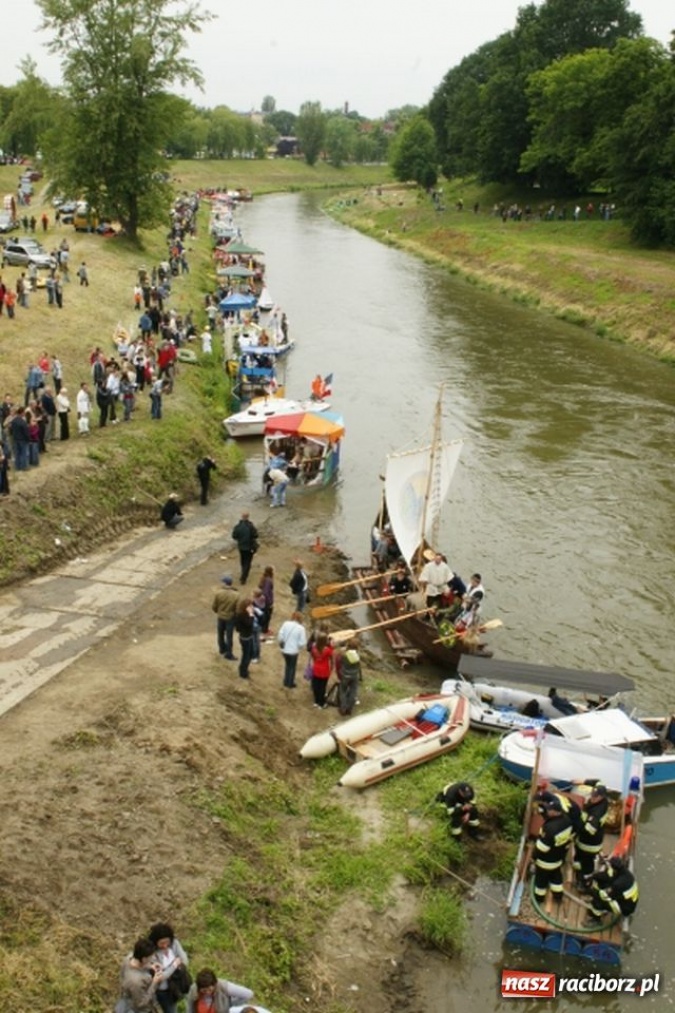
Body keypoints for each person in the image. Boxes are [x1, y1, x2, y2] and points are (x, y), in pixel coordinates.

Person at [533, 797, 574, 904]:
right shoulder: (567, 821)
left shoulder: (550, 828)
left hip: (545, 862)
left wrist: (534, 857)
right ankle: (558, 897)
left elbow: (542, 848)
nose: (548, 811)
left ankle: (538, 899)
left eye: (550, 810)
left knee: (541, 882)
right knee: (556, 879)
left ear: (556, 812)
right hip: (558, 858)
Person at [574, 783, 610, 891]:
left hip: (589, 844)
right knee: (579, 860)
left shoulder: (597, 812)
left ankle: (586, 884)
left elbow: (590, 830)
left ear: (602, 797)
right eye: (593, 794)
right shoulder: (601, 802)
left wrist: (576, 826)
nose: (592, 797)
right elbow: (597, 781)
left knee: (587, 864)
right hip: (584, 841)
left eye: (595, 796)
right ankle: (579, 876)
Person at [148, 921, 189, 1013]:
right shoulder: (152, 953)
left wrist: (168, 970)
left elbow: (184, 960)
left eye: (167, 942)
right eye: (162, 943)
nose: (165, 945)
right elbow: (161, 976)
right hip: (165, 990)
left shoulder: (174, 943)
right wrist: (174, 965)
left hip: (179, 982)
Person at [586, 855, 639, 926]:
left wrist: (593, 892)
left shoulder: (618, 884)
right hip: (628, 901)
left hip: (624, 907)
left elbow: (606, 897)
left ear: (614, 869)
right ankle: (602, 909)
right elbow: (608, 876)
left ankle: (596, 920)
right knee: (601, 884)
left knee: (598, 901)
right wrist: (594, 876)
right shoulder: (625, 873)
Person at [117, 938, 164, 1013]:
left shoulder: (130, 957)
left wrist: (149, 966)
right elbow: (141, 1004)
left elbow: (139, 965)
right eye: (150, 957)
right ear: (144, 959)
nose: (152, 959)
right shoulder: (136, 981)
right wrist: (154, 983)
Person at [185, 967, 254, 1013]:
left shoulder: (223, 987)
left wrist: (230, 1003)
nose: (207, 993)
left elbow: (248, 994)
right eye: (204, 991)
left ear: (214, 984)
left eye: (209, 989)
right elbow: (190, 1009)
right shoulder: (193, 990)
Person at [212, 575, 240, 660]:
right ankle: (229, 653)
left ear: (224, 583)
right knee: (229, 636)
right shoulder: (236, 595)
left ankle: (221, 649)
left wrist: (219, 612)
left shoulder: (218, 593)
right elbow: (237, 609)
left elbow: (214, 606)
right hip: (230, 618)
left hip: (220, 616)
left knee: (220, 634)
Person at [277, 611, 307, 688]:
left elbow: (280, 635)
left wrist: (282, 642)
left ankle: (285, 681)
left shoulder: (286, 623)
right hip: (293, 651)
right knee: (292, 667)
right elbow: (302, 642)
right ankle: (289, 683)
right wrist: (298, 647)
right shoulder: (301, 629)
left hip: (284, 650)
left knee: (287, 666)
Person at [335, 639, 362, 715]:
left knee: (343, 691)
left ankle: (343, 708)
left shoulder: (344, 655)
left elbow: (339, 661)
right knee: (353, 691)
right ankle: (349, 708)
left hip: (345, 675)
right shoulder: (358, 655)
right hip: (354, 675)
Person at [231, 512, 258, 584]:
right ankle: (244, 577)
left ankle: (243, 572)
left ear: (242, 517)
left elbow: (234, 536)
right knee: (248, 562)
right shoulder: (251, 526)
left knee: (242, 560)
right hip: (250, 547)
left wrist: (240, 540)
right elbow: (256, 535)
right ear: (248, 517)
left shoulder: (238, 526)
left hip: (241, 547)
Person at [310, 632, 334, 708]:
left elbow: (313, 658)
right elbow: (332, 659)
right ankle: (322, 703)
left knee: (316, 686)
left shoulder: (313, 649)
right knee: (322, 687)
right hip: (325, 671)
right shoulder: (327, 650)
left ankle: (316, 701)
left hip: (316, 669)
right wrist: (332, 668)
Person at [234, 598, 256, 679]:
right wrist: (251, 614)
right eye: (250, 606)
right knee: (246, 655)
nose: (252, 607)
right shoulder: (242, 615)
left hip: (247, 636)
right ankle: (243, 672)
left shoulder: (241, 614)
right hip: (245, 638)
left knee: (250, 654)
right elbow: (249, 624)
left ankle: (243, 668)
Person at [258, 564, 275, 634]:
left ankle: (262, 628)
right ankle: (265, 630)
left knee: (264, 614)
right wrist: (269, 602)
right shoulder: (268, 580)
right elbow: (266, 592)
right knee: (267, 616)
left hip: (263, 601)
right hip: (267, 601)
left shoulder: (264, 578)